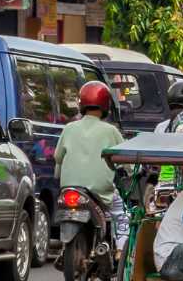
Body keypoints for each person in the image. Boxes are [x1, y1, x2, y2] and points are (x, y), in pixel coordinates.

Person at [55, 82, 129, 253]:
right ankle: (120, 251)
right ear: (106, 105)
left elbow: (58, 157)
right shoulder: (110, 130)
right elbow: (126, 159)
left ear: (81, 104)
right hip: (100, 192)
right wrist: (135, 171)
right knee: (122, 213)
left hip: (69, 189)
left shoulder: (69, 128)